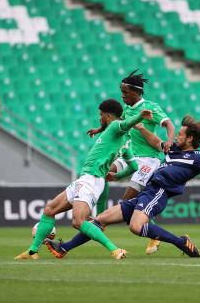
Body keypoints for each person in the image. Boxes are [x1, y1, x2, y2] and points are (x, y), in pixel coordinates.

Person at [45, 115, 200, 259]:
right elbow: (157, 142)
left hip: (159, 193)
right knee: (100, 220)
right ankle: (64, 249)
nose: (177, 136)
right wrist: (140, 127)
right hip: (148, 191)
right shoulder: (173, 149)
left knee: (136, 227)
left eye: (181, 134)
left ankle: (180, 242)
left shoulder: (197, 158)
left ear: (191, 138)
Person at [14, 99, 152, 260]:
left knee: (78, 221)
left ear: (107, 115)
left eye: (101, 115)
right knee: (49, 209)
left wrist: (140, 116)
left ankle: (115, 250)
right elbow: (134, 166)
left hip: (91, 179)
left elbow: (125, 124)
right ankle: (32, 251)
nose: (99, 118)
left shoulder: (115, 126)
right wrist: (117, 176)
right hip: (86, 179)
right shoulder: (124, 142)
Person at [87, 70, 175, 255]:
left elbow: (169, 124)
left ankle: (154, 234)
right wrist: (99, 129)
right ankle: (99, 219)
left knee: (127, 201)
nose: (122, 95)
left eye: (125, 92)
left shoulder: (151, 107)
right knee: (101, 171)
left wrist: (168, 140)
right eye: (121, 91)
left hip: (148, 160)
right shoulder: (127, 110)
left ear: (136, 92)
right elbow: (116, 124)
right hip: (128, 155)